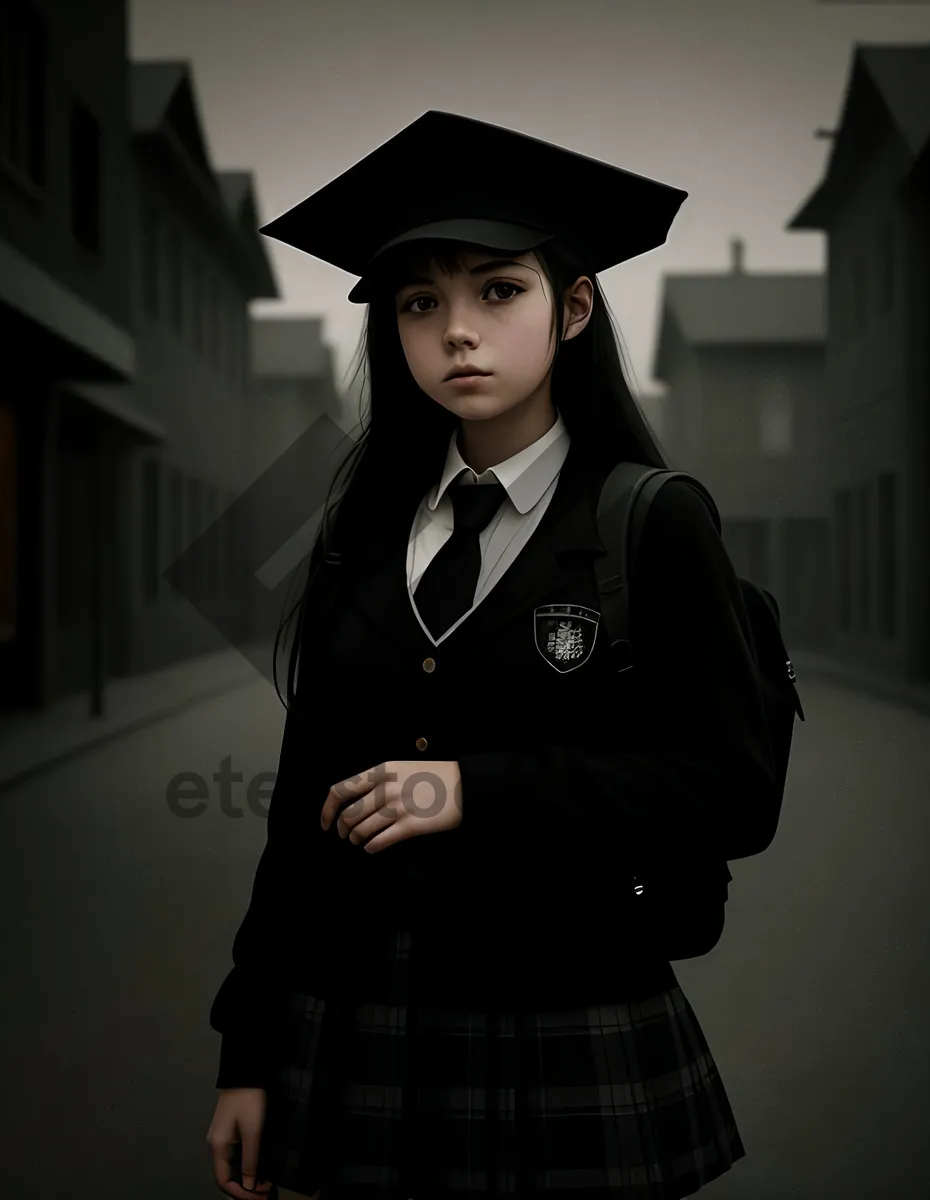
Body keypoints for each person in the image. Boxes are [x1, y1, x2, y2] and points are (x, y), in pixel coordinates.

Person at [205, 110, 777, 1200]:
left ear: (572, 307)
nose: (456, 331)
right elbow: (299, 828)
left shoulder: (650, 525)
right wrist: (248, 1052)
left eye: (496, 290)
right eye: (422, 301)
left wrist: (479, 790)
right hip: (358, 1019)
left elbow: (733, 790)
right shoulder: (358, 542)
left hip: (568, 1013)